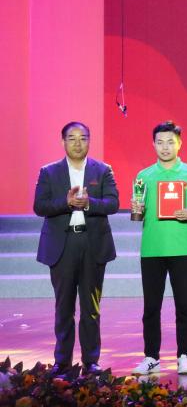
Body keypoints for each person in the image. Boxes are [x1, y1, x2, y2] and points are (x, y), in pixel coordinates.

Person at [33, 121, 119, 374]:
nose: (77, 143)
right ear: (63, 142)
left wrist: (89, 203)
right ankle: (62, 362)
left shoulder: (102, 170)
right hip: (63, 245)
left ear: (89, 141)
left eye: (83, 138)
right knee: (64, 307)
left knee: (91, 308)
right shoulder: (49, 172)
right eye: (72, 138)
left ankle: (91, 361)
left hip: (92, 244)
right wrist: (67, 202)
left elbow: (113, 203)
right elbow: (40, 206)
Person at [130, 121, 187, 375]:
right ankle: (151, 357)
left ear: (180, 144)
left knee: (184, 306)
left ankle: (184, 356)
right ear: (153, 144)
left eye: (170, 142)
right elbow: (137, 213)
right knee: (151, 307)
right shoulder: (144, 176)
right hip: (152, 250)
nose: (165, 147)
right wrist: (136, 209)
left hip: (182, 249)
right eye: (160, 142)